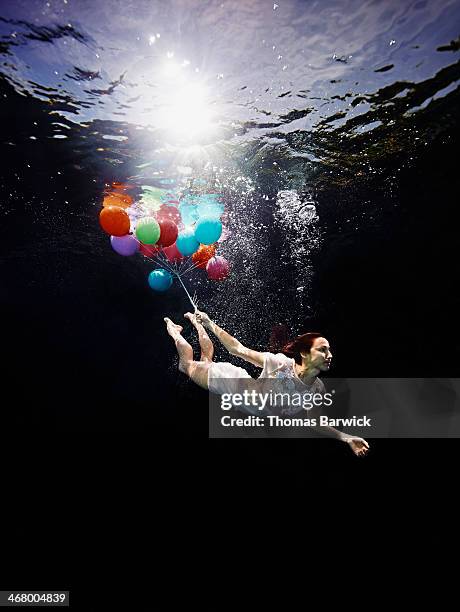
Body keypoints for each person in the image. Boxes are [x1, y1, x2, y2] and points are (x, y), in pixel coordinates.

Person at [164, 311, 370, 457]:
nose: (330, 355)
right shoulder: (281, 363)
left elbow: (315, 422)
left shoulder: (317, 389)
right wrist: (211, 323)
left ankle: (196, 323)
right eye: (323, 350)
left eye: (329, 350)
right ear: (305, 353)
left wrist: (346, 437)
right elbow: (238, 349)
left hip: (244, 396)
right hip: (231, 383)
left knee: (206, 361)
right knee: (186, 365)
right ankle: (175, 330)